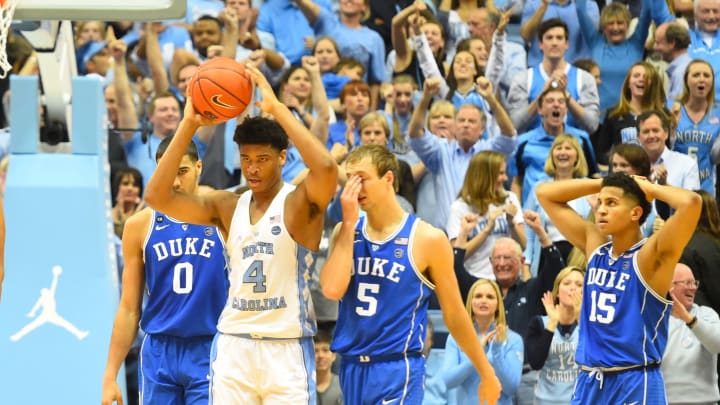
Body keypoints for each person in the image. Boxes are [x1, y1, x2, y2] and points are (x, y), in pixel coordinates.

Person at [143, 65, 339, 403]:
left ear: (283, 157)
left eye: (262, 159)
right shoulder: (227, 206)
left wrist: (278, 109)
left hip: (286, 347)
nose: (252, 168)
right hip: (234, 344)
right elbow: (157, 197)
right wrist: (189, 123)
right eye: (246, 159)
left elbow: (326, 168)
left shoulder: (298, 203)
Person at [320, 144, 501, 404]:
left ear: (388, 179)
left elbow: (455, 315)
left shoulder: (427, 238)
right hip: (351, 369)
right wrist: (348, 224)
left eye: (362, 179)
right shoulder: (345, 231)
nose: (354, 188)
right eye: (349, 180)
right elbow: (331, 290)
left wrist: (486, 372)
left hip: (397, 369)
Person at [536, 172, 702, 404]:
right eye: (600, 203)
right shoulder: (595, 245)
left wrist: (650, 189)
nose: (601, 210)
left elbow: (691, 203)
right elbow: (544, 193)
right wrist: (605, 183)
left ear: (636, 213)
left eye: (611, 203)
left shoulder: (650, 256)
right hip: (589, 379)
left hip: (633, 379)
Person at [101, 138, 228, 405]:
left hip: (211, 346)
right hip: (159, 349)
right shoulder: (140, 225)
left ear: (199, 167)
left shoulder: (223, 218)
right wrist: (110, 374)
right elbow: (128, 308)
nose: (175, 182)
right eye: (167, 172)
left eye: (182, 171)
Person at [507, 18, 600, 135]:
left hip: (572, 149)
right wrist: (543, 95)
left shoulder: (584, 78)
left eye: (559, 38)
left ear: (567, 44)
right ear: (540, 44)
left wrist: (566, 96)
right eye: (549, 38)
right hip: (534, 150)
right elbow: (514, 125)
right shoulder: (523, 79)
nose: (554, 43)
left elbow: (592, 125)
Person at [441, 279, 524, 405]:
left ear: (498, 304)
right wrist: (477, 354)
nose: (483, 300)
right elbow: (448, 380)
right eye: (478, 296)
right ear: (471, 301)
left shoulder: (513, 339)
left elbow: (511, 387)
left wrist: (496, 353)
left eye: (490, 297)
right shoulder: (456, 337)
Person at [447, 150, 526, 280]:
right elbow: (457, 256)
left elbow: (523, 245)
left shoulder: (509, 198)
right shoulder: (460, 207)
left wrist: (512, 224)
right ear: (486, 176)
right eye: (500, 173)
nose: (505, 178)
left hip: (508, 278)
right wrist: (487, 229)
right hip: (476, 279)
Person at [661, 263, 720, 404]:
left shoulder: (706, 314)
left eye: (694, 283)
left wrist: (688, 319)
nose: (693, 288)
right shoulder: (654, 317)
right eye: (687, 283)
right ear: (670, 286)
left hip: (705, 402)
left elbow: (717, 344)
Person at [525, 266, 584, 405]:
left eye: (579, 284)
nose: (573, 288)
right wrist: (552, 324)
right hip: (545, 400)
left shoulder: (591, 325)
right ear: (557, 292)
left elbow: (595, 359)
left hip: (578, 400)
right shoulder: (539, 322)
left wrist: (581, 318)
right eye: (567, 283)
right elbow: (536, 363)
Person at [670, 59, 720, 195]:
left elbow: (716, 158)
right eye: (696, 75)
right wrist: (671, 129)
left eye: (706, 75)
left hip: (706, 191)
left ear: (712, 82)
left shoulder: (718, 114)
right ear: (686, 80)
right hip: (676, 190)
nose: (702, 79)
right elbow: (663, 152)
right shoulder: (672, 109)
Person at [636, 110, 700, 191]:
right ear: (638, 137)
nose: (651, 136)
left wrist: (665, 186)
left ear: (666, 133)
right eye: (646, 132)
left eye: (655, 130)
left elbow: (692, 201)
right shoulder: (632, 166)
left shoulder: (687, 164)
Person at [315, 328, 343, 405]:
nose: (320, 355)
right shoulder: (300, 386)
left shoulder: (343, 386)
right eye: (315, 351)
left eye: (325, 350)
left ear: (333, 356)